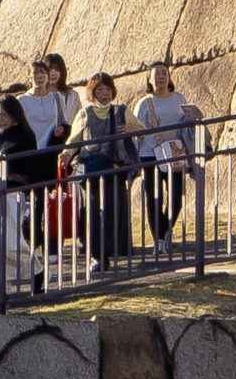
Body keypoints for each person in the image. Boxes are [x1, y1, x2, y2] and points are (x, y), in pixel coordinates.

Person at [64, 72, 136, 271]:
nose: (104, 93)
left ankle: (113, 251)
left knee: (113, 211)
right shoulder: (85, 114)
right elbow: (74, 139)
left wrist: (130, 128)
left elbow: (141, 129)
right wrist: (65, 155)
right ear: (92, 92)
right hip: (93, 170)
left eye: (107, 89)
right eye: (99, 89)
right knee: (95, 212)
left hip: (116, 168)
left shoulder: (122, 111)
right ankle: (97, 256)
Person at [132, 62, 203, 255]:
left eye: (164, 74)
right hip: (150, 154)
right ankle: (159, 240)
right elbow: (136, 129)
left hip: (175, 154)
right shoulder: (144, 103)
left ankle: (164, 232)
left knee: (176, 197)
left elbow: (187, 120)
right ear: (149, 79)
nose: (160, 78)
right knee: (154, 198)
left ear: (169, 77)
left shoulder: (178, 98)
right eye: (156, 75)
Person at [0, 97, 41, 299]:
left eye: (4, 114)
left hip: (13, 192)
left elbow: (31, 167)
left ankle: (37, 272)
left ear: (14, 113)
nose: (1, 118)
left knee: (12, 243)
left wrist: (32, 195)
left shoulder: (26, 136)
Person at [12, 55, 76, 247]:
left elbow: (63, 122)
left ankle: (39, 236)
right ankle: (29, 232)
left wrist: (61, 131)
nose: (39, 77)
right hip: (29, 153)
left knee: (43, 196)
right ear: (29, 77)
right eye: (35, 73)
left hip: (48, 153)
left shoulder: (56, 98)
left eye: (42, 73)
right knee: (31, 196)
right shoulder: (21, 100)